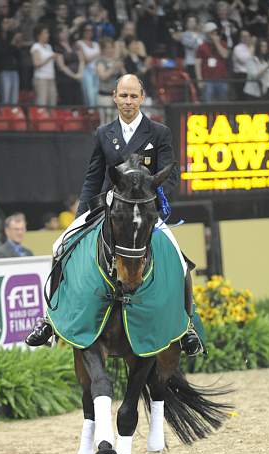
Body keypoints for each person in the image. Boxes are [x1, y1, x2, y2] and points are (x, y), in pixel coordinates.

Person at [25, 73, 203, 358]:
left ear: (142, 98)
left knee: (179, 261)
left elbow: (170, 177)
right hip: (109, 207)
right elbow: (93, 178)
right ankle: (50, 319)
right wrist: (80, 215)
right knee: (59, 245)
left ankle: (188, 326)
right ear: (115, 98)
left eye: (134, 96)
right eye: (124, 96)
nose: (129, 101)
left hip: (145, 208)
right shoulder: (103, 133)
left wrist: (152, 202)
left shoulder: (159, 133)